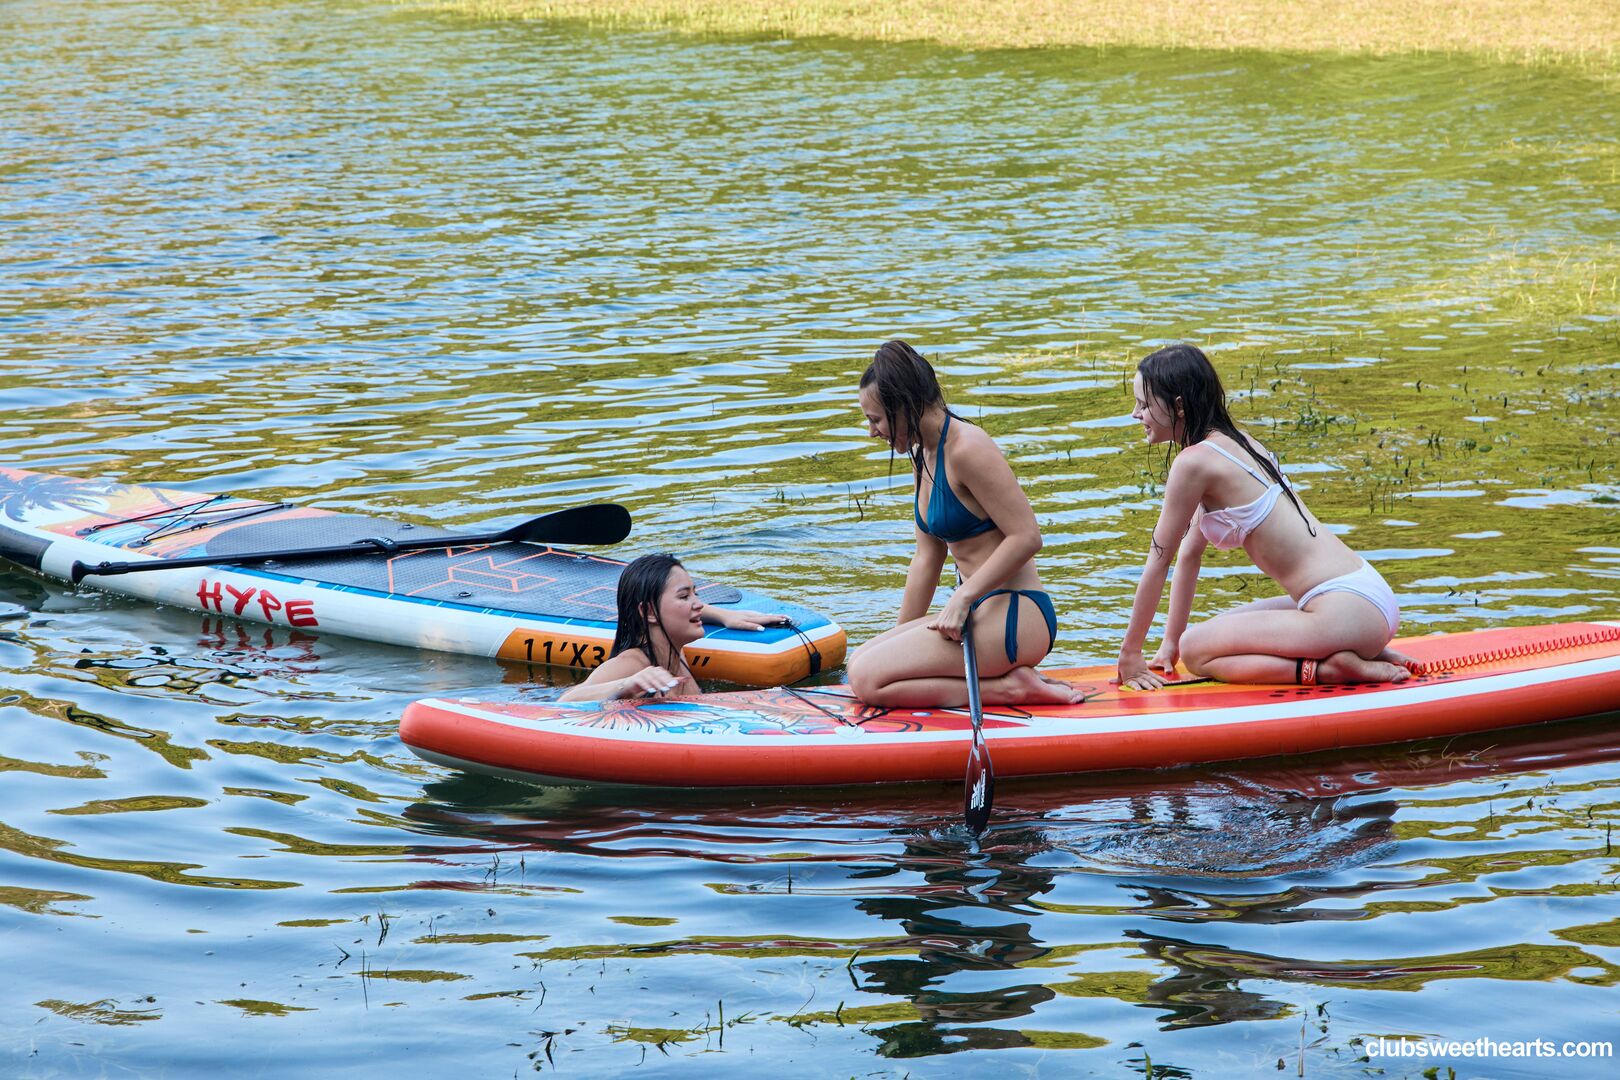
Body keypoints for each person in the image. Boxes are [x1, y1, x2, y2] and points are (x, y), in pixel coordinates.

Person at [1117, 344, 1412, 691]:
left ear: (1178, 406)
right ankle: (1362, 647)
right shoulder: (1237, 442)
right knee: (1194, 639)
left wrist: (1130, 655)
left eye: (1144, 404)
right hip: (1362, 596)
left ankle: (1329, 669)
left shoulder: (1193, 463)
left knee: (1196, 651)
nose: (1136, 414)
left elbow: (1158, 560)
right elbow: (1189, 554)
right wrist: (1170, 644)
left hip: (1345, 610)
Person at [846, 340, 1082, 707]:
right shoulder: (924, 455)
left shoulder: (967, 447)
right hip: (977, 613)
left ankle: (1010, 689)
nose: (871, 431)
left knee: (866, 678)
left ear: (903, 405)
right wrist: (898, 645)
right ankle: (1009, 680)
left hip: (1016, 615)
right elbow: (927, 558)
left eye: (875, 419)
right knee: (861, 662)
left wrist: (963, 596)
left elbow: (1026, 536)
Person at [559, 553, 787, 701]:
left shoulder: (674, 649)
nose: (698, 604)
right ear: (649, 612)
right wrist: (627, 684)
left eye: (695, 593)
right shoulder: (633, 663)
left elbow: (682, 609)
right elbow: (566, 700)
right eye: (685, 596)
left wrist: (724, 615)